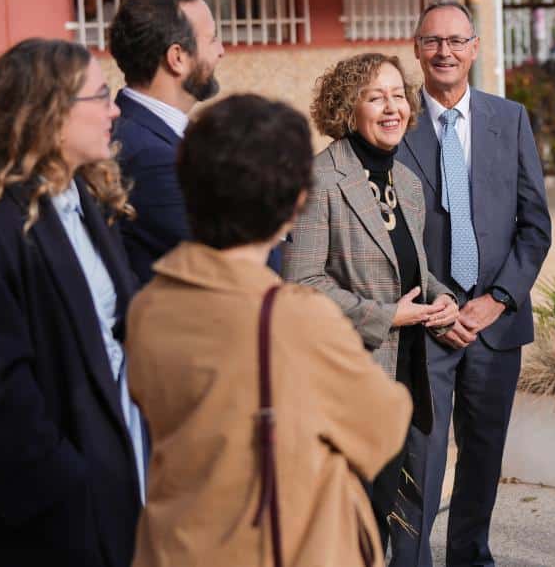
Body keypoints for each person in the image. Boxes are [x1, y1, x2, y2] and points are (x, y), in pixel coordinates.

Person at [125, 94, 412, 566]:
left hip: (174, 543)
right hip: (276, 548)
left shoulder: (150, 306)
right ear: (297, 199)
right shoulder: (295, 319)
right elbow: (381, 427)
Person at [0, 38, 146, 567]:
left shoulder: (81, 199)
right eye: (102, 95)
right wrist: (65, 487)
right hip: (50, 525)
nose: (115, 109)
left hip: (111, 490)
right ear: (50, 114)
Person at [281, 53, 460, 559]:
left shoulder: (405, 181)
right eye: (375, 96)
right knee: (350, 529)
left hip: (406, 381)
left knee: (392, 519)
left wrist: (442, 297)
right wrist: (386, 316)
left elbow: (414, 270)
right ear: (347, 107)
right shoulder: (320, 179)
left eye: (398, 95)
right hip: (348, 385)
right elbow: (301, 283)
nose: (392, 108)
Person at [395, 0, 551, 567]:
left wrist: (497, 300)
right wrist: (439, 306)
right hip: (424, 328)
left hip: (495, 327)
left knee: (483, 460)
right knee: (421, 462)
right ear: (417, 49)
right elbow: (386, 233)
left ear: (475, 49)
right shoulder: (397, 125)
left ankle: (470, 558)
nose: (445, 52)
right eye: (433, 41)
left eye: (456, 41)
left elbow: (535, 226)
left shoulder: (508, 119)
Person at [107, 0, 278, 285]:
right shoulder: (152, 158)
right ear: (177, 58)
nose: (222, 52)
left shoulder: (144, 135)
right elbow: (242, 265)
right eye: (212, 39)